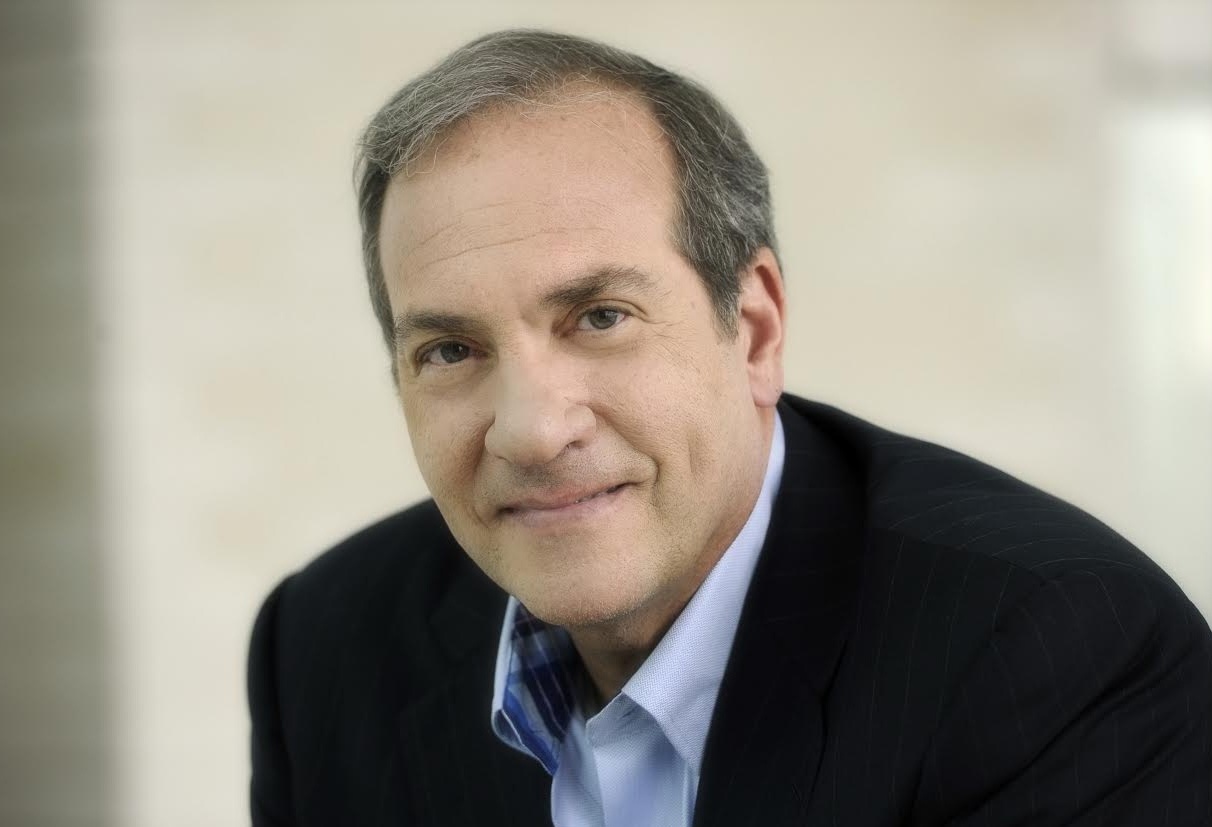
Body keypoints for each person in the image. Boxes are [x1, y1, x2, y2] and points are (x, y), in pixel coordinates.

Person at [247, 29, 1212, 827]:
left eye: (600, 317)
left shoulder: (1052, 649)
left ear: (753, 329)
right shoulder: (325, 647)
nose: (533, 432)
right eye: (451, 349)